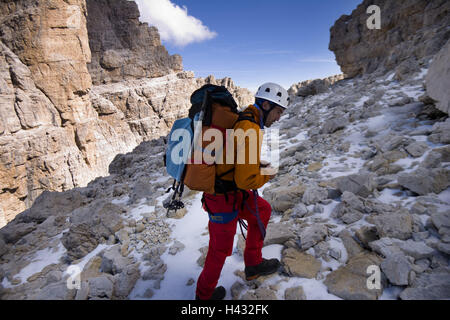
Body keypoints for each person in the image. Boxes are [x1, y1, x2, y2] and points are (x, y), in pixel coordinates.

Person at [195, 83, 290, 300]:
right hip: (222, 197)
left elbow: (238, 159)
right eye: (277, 112)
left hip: (232, 191)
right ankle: (203, 296)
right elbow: (246, 179)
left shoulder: (247, 119)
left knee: (263, 210)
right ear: (265, 105)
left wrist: (258, 165)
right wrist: (268, 173)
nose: (278, 118)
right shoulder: (250, 127)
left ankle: (254, 264)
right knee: (219, 251)